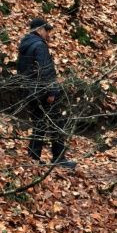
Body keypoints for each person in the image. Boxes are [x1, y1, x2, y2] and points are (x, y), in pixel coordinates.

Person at [17, 18, 75, 169]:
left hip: (31, 91)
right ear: (39, 30)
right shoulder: (39, 46)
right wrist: (52, 91)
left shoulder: (25, 44)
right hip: (43, 92)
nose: (48, 34)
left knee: (39, 124)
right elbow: (46, 70)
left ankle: (33, 157)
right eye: (47, 31)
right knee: (56, 123)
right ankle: (59, 157)